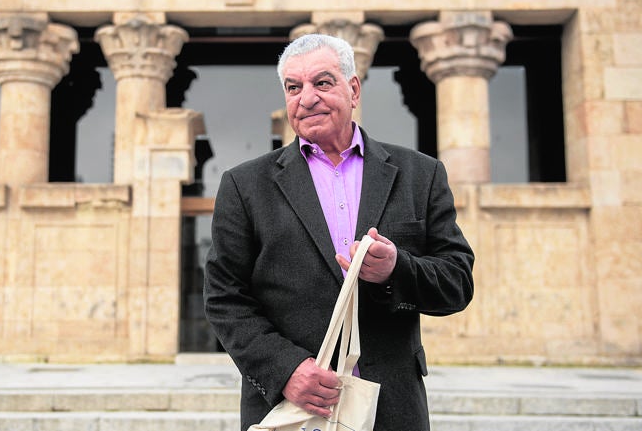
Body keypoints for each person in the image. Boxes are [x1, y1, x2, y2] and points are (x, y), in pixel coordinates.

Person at [203, 33, 475, 431]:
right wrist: (286, 369)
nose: (306, 98)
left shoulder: (421, 174)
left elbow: (456, 281)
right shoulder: (245, 185)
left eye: (322, 82)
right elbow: (224, 298)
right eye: (293, 87)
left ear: (354, 89)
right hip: (293, 410)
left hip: (393, 408)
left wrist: (395, 270)